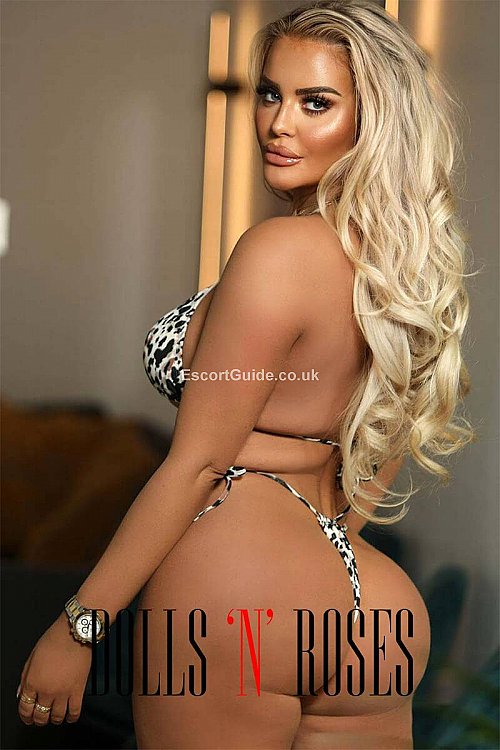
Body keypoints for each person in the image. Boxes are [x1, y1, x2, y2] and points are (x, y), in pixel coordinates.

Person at [16, 1, 476, 747]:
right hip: (373, 604)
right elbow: (380, 454)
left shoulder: (277, 252)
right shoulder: (402, 272)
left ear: (373, 122)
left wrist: (79, 626)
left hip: (237, 587)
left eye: (315, 102)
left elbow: (198, 462)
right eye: (269, 93)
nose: (278, 123)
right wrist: (310, 556)